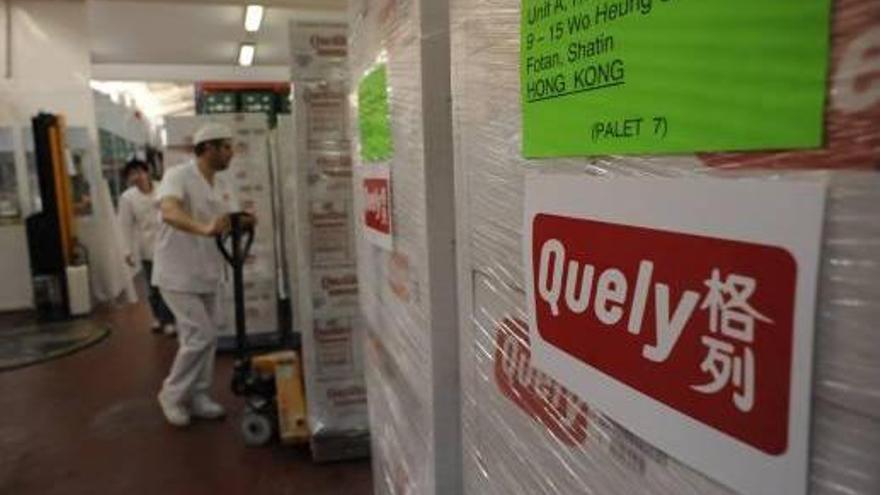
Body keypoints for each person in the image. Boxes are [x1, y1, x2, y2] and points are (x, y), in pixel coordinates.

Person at [152, 123, 249, 427]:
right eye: (226, 147)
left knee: (207, 338)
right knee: (199, 336)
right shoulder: (178, 176)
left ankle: (198, 395)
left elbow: (229, 219)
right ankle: (172, 394)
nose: (231, 153)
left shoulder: (222, 184)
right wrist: (205, 228)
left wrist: (243, 221)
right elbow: (169, 211)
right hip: (177, 272)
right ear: (208, 148)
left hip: (208, 270)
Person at [117, 159, 175, 335]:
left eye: (140, 172)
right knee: (153, 286)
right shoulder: (127, 198)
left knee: (168, 284)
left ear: (147, 172)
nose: (137, 176)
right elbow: (124, 225)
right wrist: (126, 251)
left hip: (168, 244)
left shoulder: (163, 188)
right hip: (146, 247)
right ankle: (158, 317)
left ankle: (169, 320)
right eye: (132, 174)